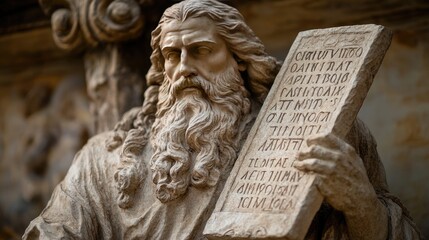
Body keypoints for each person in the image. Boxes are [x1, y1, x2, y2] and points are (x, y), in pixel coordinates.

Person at [24, 0, 420, 239]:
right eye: (171, 56)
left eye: (201, 50)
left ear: (239, 60)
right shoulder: (102, 160)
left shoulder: (322, 130)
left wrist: (361, 203)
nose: (183, 69)